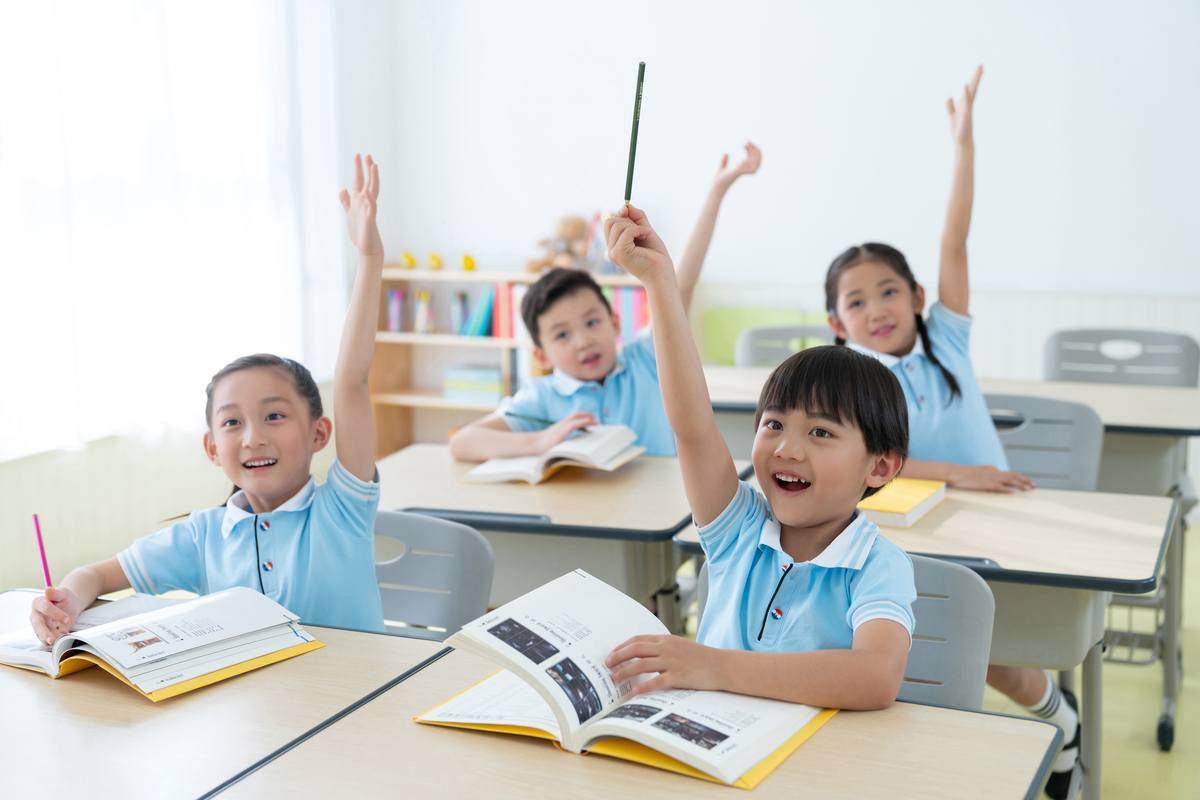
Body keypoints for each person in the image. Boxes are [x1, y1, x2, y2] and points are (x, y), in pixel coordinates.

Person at [823, 67, 1078, 797]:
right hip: (915, 531)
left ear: (918, 298)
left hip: (996, 521)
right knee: (942, 650)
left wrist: (964, 144)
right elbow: (872, 470)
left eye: (890, 291)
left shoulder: (947, 344)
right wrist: (957, 473)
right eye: (857, 300)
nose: (878, 307)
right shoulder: (852, 385)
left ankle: (1060, 724)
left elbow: (955, 241)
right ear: (838, 324)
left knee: (997, 651)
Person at [30, 154, 389, 638]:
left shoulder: (342, 510)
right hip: (251, 712)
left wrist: (369, 260)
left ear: (319, 433)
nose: (253, 437)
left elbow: (351, 381)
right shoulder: (203, 535)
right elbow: (95, 575)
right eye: (232, 423)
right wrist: (67, 599)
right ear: (212, 449)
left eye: (275, 416)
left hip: (355, 703)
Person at [601, 203, 916, 710]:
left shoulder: (879, 566)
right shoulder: (740, 529)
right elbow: (693, 427)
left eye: (820, 432)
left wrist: (711, 665)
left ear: (879, 466)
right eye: (774, 425)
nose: (788, 448)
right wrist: (659, 282)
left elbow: (876, 677)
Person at [448, 144, 761, 462]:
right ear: (541, 355)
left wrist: (716, 191)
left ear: (614, 323)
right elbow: (463, 443)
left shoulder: (647, 358)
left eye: (592, 322)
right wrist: (540, 441)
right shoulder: (541, 397)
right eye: (562, 335)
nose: (583, 340)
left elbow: (682, 283)